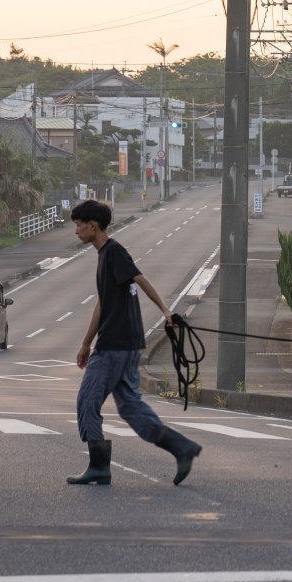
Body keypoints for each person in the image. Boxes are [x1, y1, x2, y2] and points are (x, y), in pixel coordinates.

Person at [66, 199, 201, 487]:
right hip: (124, 344)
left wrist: (166, 311)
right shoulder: (104, 256)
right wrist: (86, 343)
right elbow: (103, 303)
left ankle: (99, 467)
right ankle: (181, 448)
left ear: (93, 225)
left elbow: (140, 279)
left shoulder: (114, 252)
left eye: (79, 225)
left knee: (87, 401)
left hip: (115, 345)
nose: (76, 231)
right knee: (129, 406)